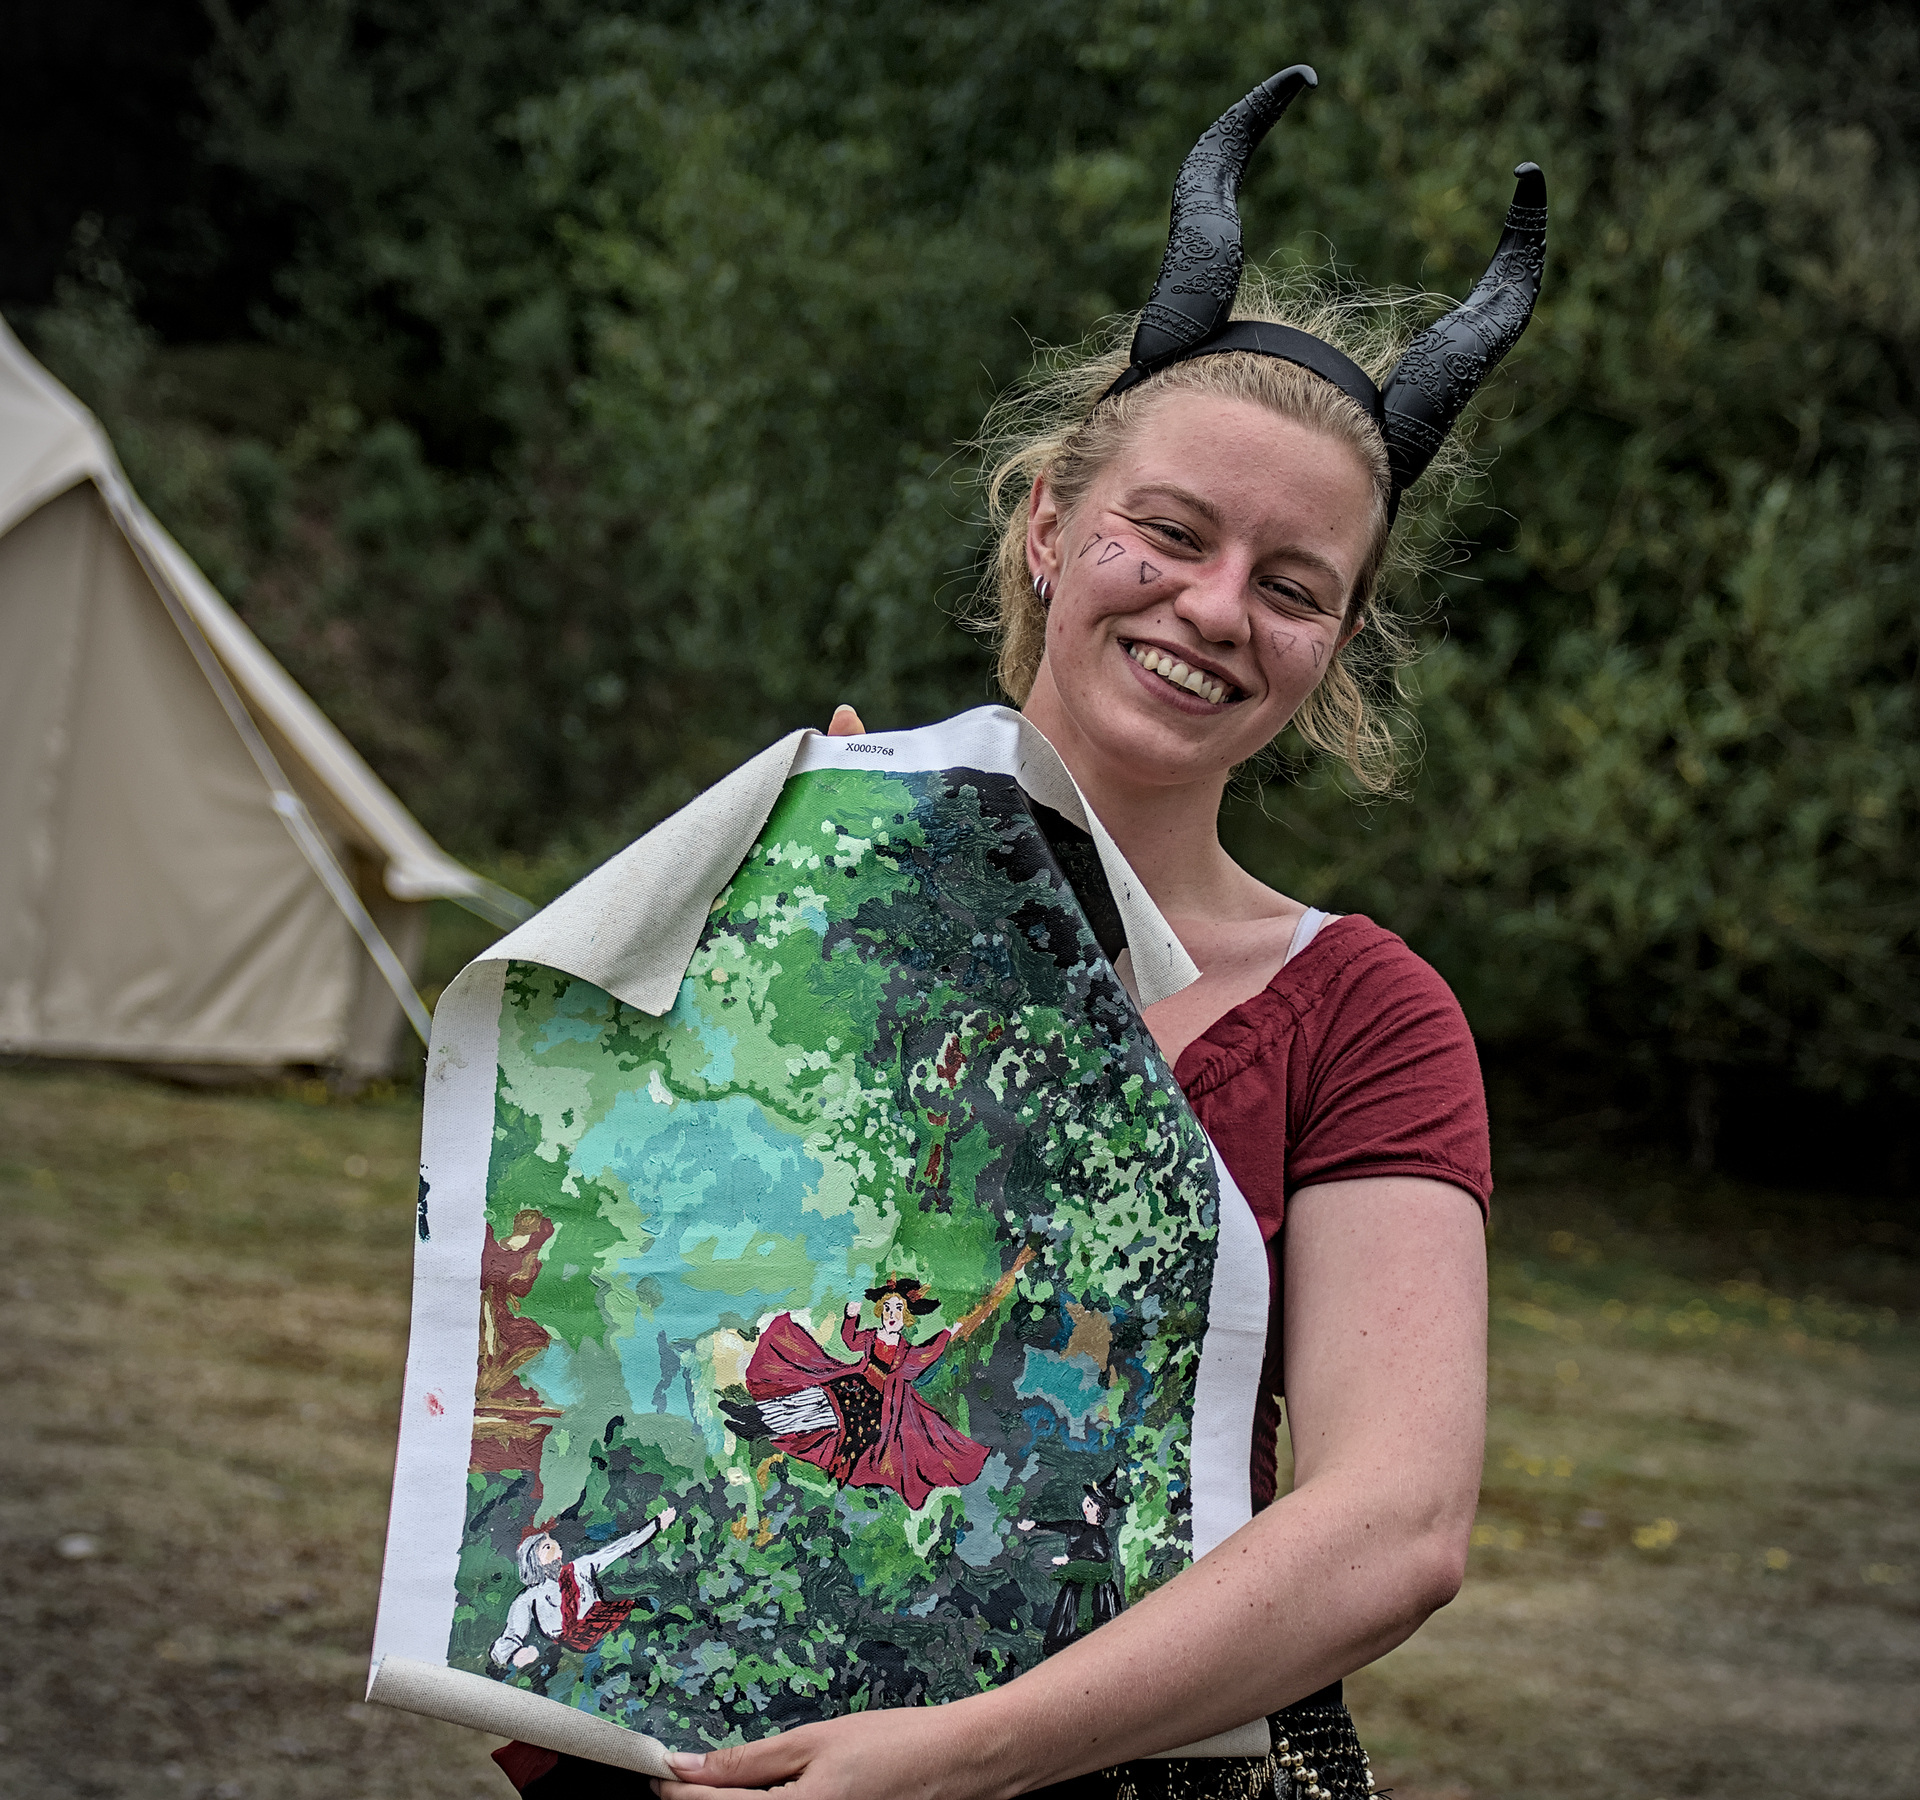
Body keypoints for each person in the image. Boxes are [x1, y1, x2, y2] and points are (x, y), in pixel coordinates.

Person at [506, 58, 1542, 1800]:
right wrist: (793, 942)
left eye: (1294, 587)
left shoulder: (1363, 1014)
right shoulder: (784, 878)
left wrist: (954, 1760)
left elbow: (1396, 1525)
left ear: (1338, 648)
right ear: (1053, 526)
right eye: (1171, 533)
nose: (1216, 607)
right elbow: (566, 1305)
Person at [489, 1509, 678, 1673]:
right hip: (574, 1647)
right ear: (534, 1561)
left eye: (553, 1543)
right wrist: (512, 1656)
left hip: (606, 1626)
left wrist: (655, 1525)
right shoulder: (529, 1598)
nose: (556, 1547)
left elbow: (620, 1548)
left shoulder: (580, 1569)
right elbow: (512, 1634)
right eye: (547, 1547)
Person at [1017, 1475, 1128, 1655]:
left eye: (1092, 1504)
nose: (1086, 1506)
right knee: (1068, 1619)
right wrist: (1035, 1524)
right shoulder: (1076, 1526)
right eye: (1087, 1502)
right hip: (1075, 1584)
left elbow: (1095, 1549)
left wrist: (1068, 1557)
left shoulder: (1099, 1535)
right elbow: (1059, 1525)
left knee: (1097, 1623)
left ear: (1101, 1511)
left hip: (1096, 1588)